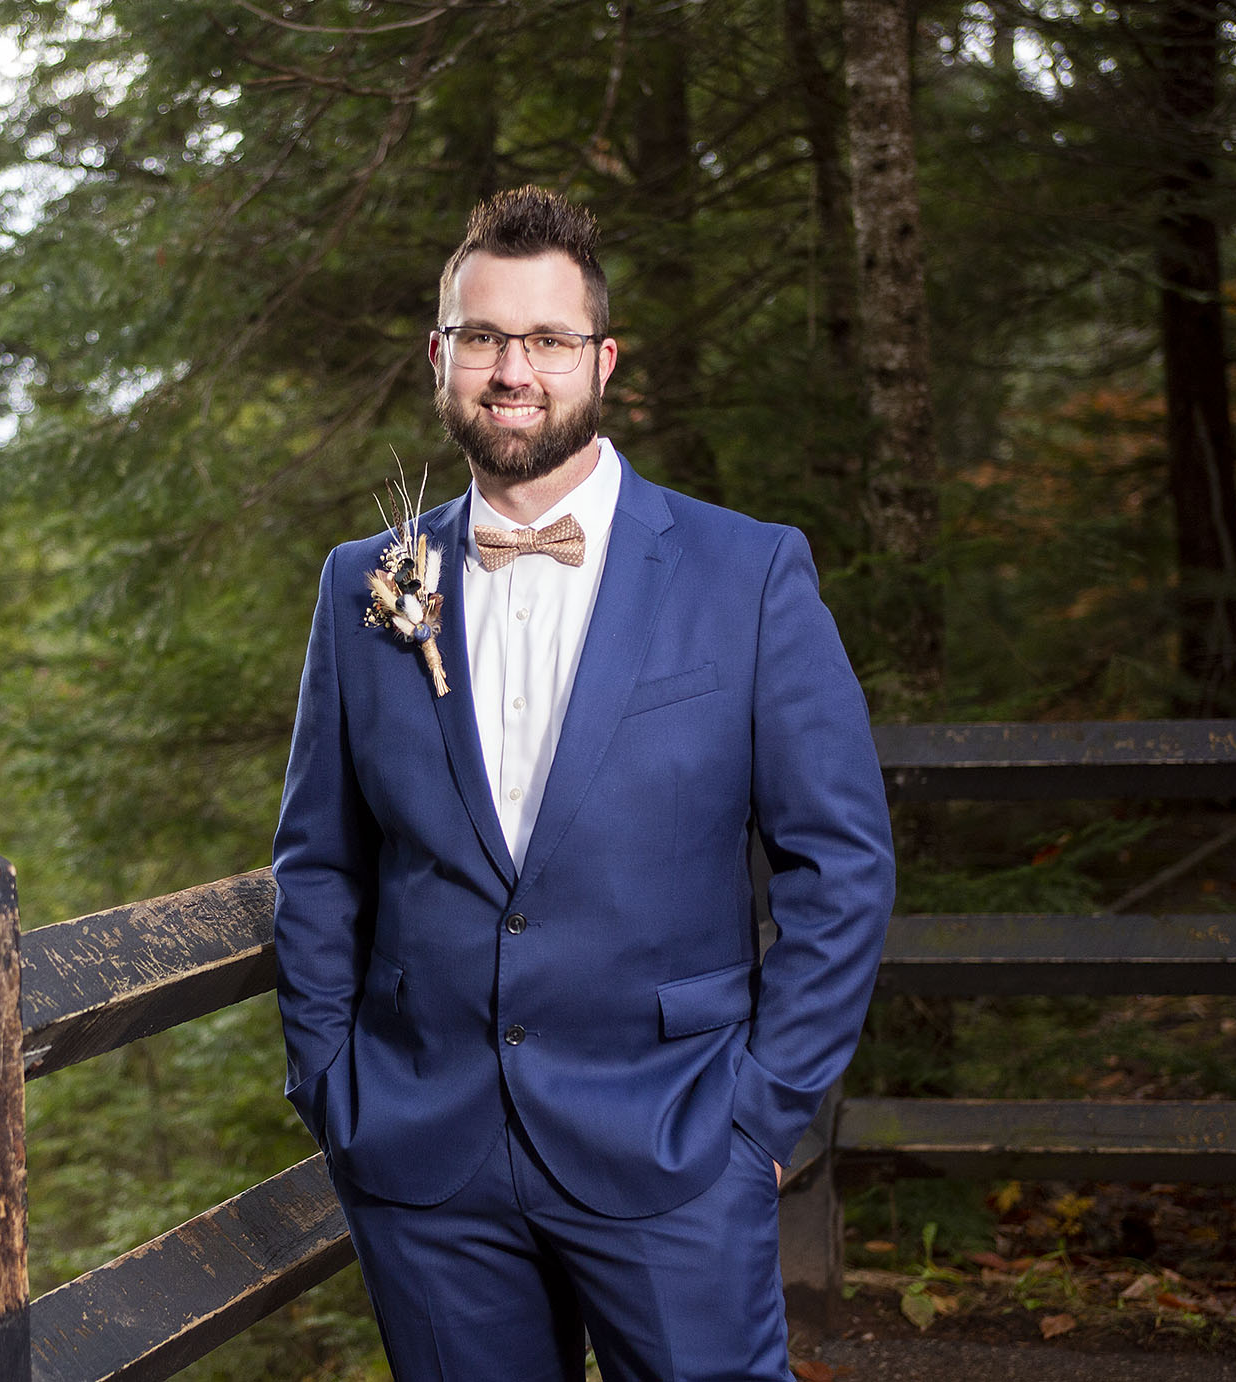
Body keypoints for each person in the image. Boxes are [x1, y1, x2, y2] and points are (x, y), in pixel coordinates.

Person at [271, 186, 895, 1381]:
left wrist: (761, 1115)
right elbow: (320, 857)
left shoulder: (747, 572)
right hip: (421, 1151)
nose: (516, 369)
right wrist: (332, 1082)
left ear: (601, 360)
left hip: (675, 1139)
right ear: (441, 355)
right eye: (485, 337)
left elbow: (843, 861)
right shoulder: (366, 586)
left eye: (549, 339)